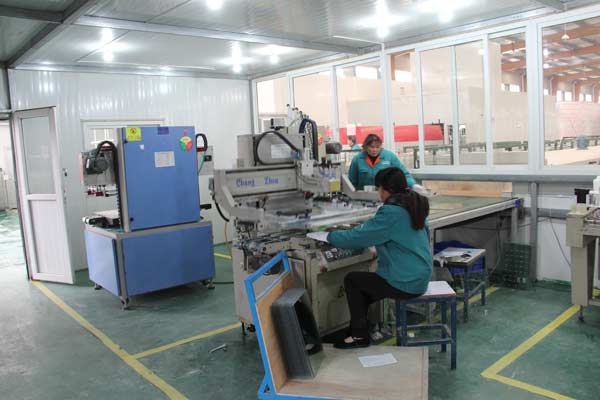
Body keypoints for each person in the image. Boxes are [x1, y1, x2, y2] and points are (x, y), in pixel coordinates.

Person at [326, 167, 432, 349]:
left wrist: (329, 236)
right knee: (366, 289)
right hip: (420, 275)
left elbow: (358, 238)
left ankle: (359, 336)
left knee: (353, 281)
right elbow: (403, 235)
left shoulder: (391, 212)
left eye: (378, 188)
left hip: (405, 281)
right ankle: (356, 330)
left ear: (385, 190)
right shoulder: (413, 205)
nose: (378, 192)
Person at [348, 133, 415, 190]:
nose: (375, 150)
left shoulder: (389, 157)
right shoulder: (357, 159)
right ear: (365, 146)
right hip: (363, 196)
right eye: (372, 147)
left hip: (386, 196)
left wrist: (413, 185)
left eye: (377, 147)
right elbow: (351, 181)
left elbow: (404, 174)